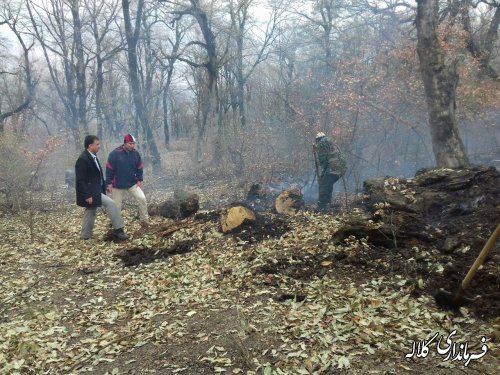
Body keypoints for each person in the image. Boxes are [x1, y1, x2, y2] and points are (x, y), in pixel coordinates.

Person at [75, 135, 128, 241]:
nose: (99, 146)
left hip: (95, 190)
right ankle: (119, 230)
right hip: (90, 192)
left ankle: (85, 236)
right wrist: (87, 195)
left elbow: (97, 175)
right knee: (111, 203)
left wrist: (105, 186)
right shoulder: (83, 159)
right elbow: (80, 180)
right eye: (97, 144)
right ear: (90, 145)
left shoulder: (92, 156)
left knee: (90, 211)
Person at [105, 134, 149, 224]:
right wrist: (108, 183)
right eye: (130, 143)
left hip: (132, 183)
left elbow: (139, 167)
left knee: (142, 198)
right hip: (117, 184)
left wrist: (139, 179)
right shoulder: (115, 154)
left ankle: (144, 220)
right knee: (116, 206)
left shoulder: (136, 154)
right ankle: (116, 224)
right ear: (124, 143)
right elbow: (109, 169)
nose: (132, 145)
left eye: (133, 143)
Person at [313, 132, 347, 210]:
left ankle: (322, 206)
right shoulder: (331, 142)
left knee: (324, 185)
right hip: (342, 168)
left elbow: (323, 161)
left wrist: (317, 148)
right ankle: (327, 204)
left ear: (318, 139)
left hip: (333, 168)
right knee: (328, 183)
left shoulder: (321, 144)